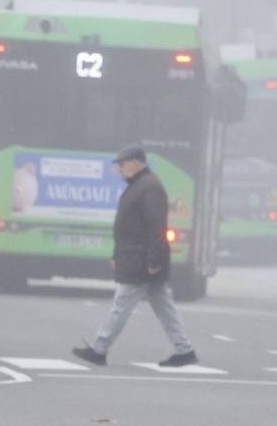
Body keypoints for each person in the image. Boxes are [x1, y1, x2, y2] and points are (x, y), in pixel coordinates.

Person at [73, 145, 198, 368]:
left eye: (122, 164)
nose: (119, 169)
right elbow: (128, 227)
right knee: (164, 306)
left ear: (135, 162)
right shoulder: (140, 185)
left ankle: (99, 348)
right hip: (136, 257)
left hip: (141, 261)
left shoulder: (149, 187)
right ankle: (184, 349)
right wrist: (117, 255)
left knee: (121, 305)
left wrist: (153, 261)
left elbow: (155, 226)